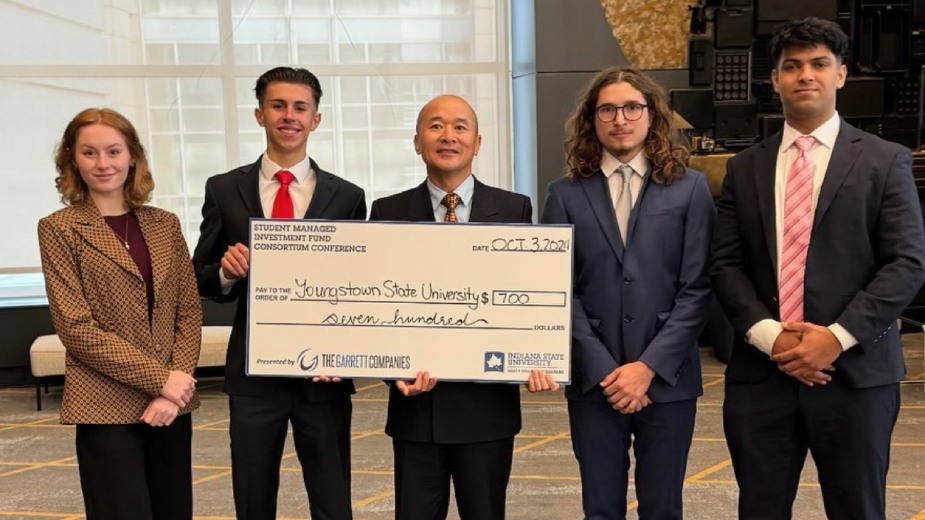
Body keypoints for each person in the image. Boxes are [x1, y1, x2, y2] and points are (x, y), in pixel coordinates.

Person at [710, 18, 925, 520]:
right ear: (776, 80)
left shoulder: (884, 161)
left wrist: (836, 337)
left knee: (857, 509)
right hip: (763, 378)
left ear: (841, 75)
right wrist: (772, 337)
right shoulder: (744, 168)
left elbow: (907, 263)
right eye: (793, 66)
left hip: (854, 377)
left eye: (819, 64)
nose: (805, 75)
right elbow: (723, 264)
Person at [368, 94, 559, 520]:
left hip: (487, 411)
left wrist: (541, 356)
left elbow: (528, 298)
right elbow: (377, 306)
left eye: (460, 126)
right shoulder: (388, 212)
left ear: (477, 142)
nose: (448, 136)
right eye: (435, 126)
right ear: (417, 142)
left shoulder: (514, 210)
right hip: (416, 408)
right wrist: (392, 371)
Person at [192, 67, 366, 520]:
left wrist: (347, 350)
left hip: (323, 376)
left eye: (300, 107)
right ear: (260, 114)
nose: (289, 116)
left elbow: (358, 286)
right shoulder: (224, 189)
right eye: (278, 105)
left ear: (316, 119)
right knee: (253, 497)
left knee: (332, 499)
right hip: (253, 376)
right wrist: (226, 274)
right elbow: (199, 275)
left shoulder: (347, 197)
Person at [540, 68, 715, 519]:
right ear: (592, 119)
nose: (621, 118)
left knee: (662, 507)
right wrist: (603, 370)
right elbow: (558, 290)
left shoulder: (690, 188)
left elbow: (697, 288)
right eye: (608, 109)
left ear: (652, 115)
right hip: (593, 382)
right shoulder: (563, 195)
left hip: (668, 380)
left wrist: (648, 368)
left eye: (632, 107)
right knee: (600, 507)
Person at [38, 108, 202, 520]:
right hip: (103, 405)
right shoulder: (58, 229)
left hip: (170, 406)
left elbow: (188, 312)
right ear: (72, 159)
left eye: (113, 151)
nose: (103, 163)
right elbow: (76, 329)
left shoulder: (165, 224)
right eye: (89, 152)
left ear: (132, 156)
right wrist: (162, 380)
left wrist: (175, 390)